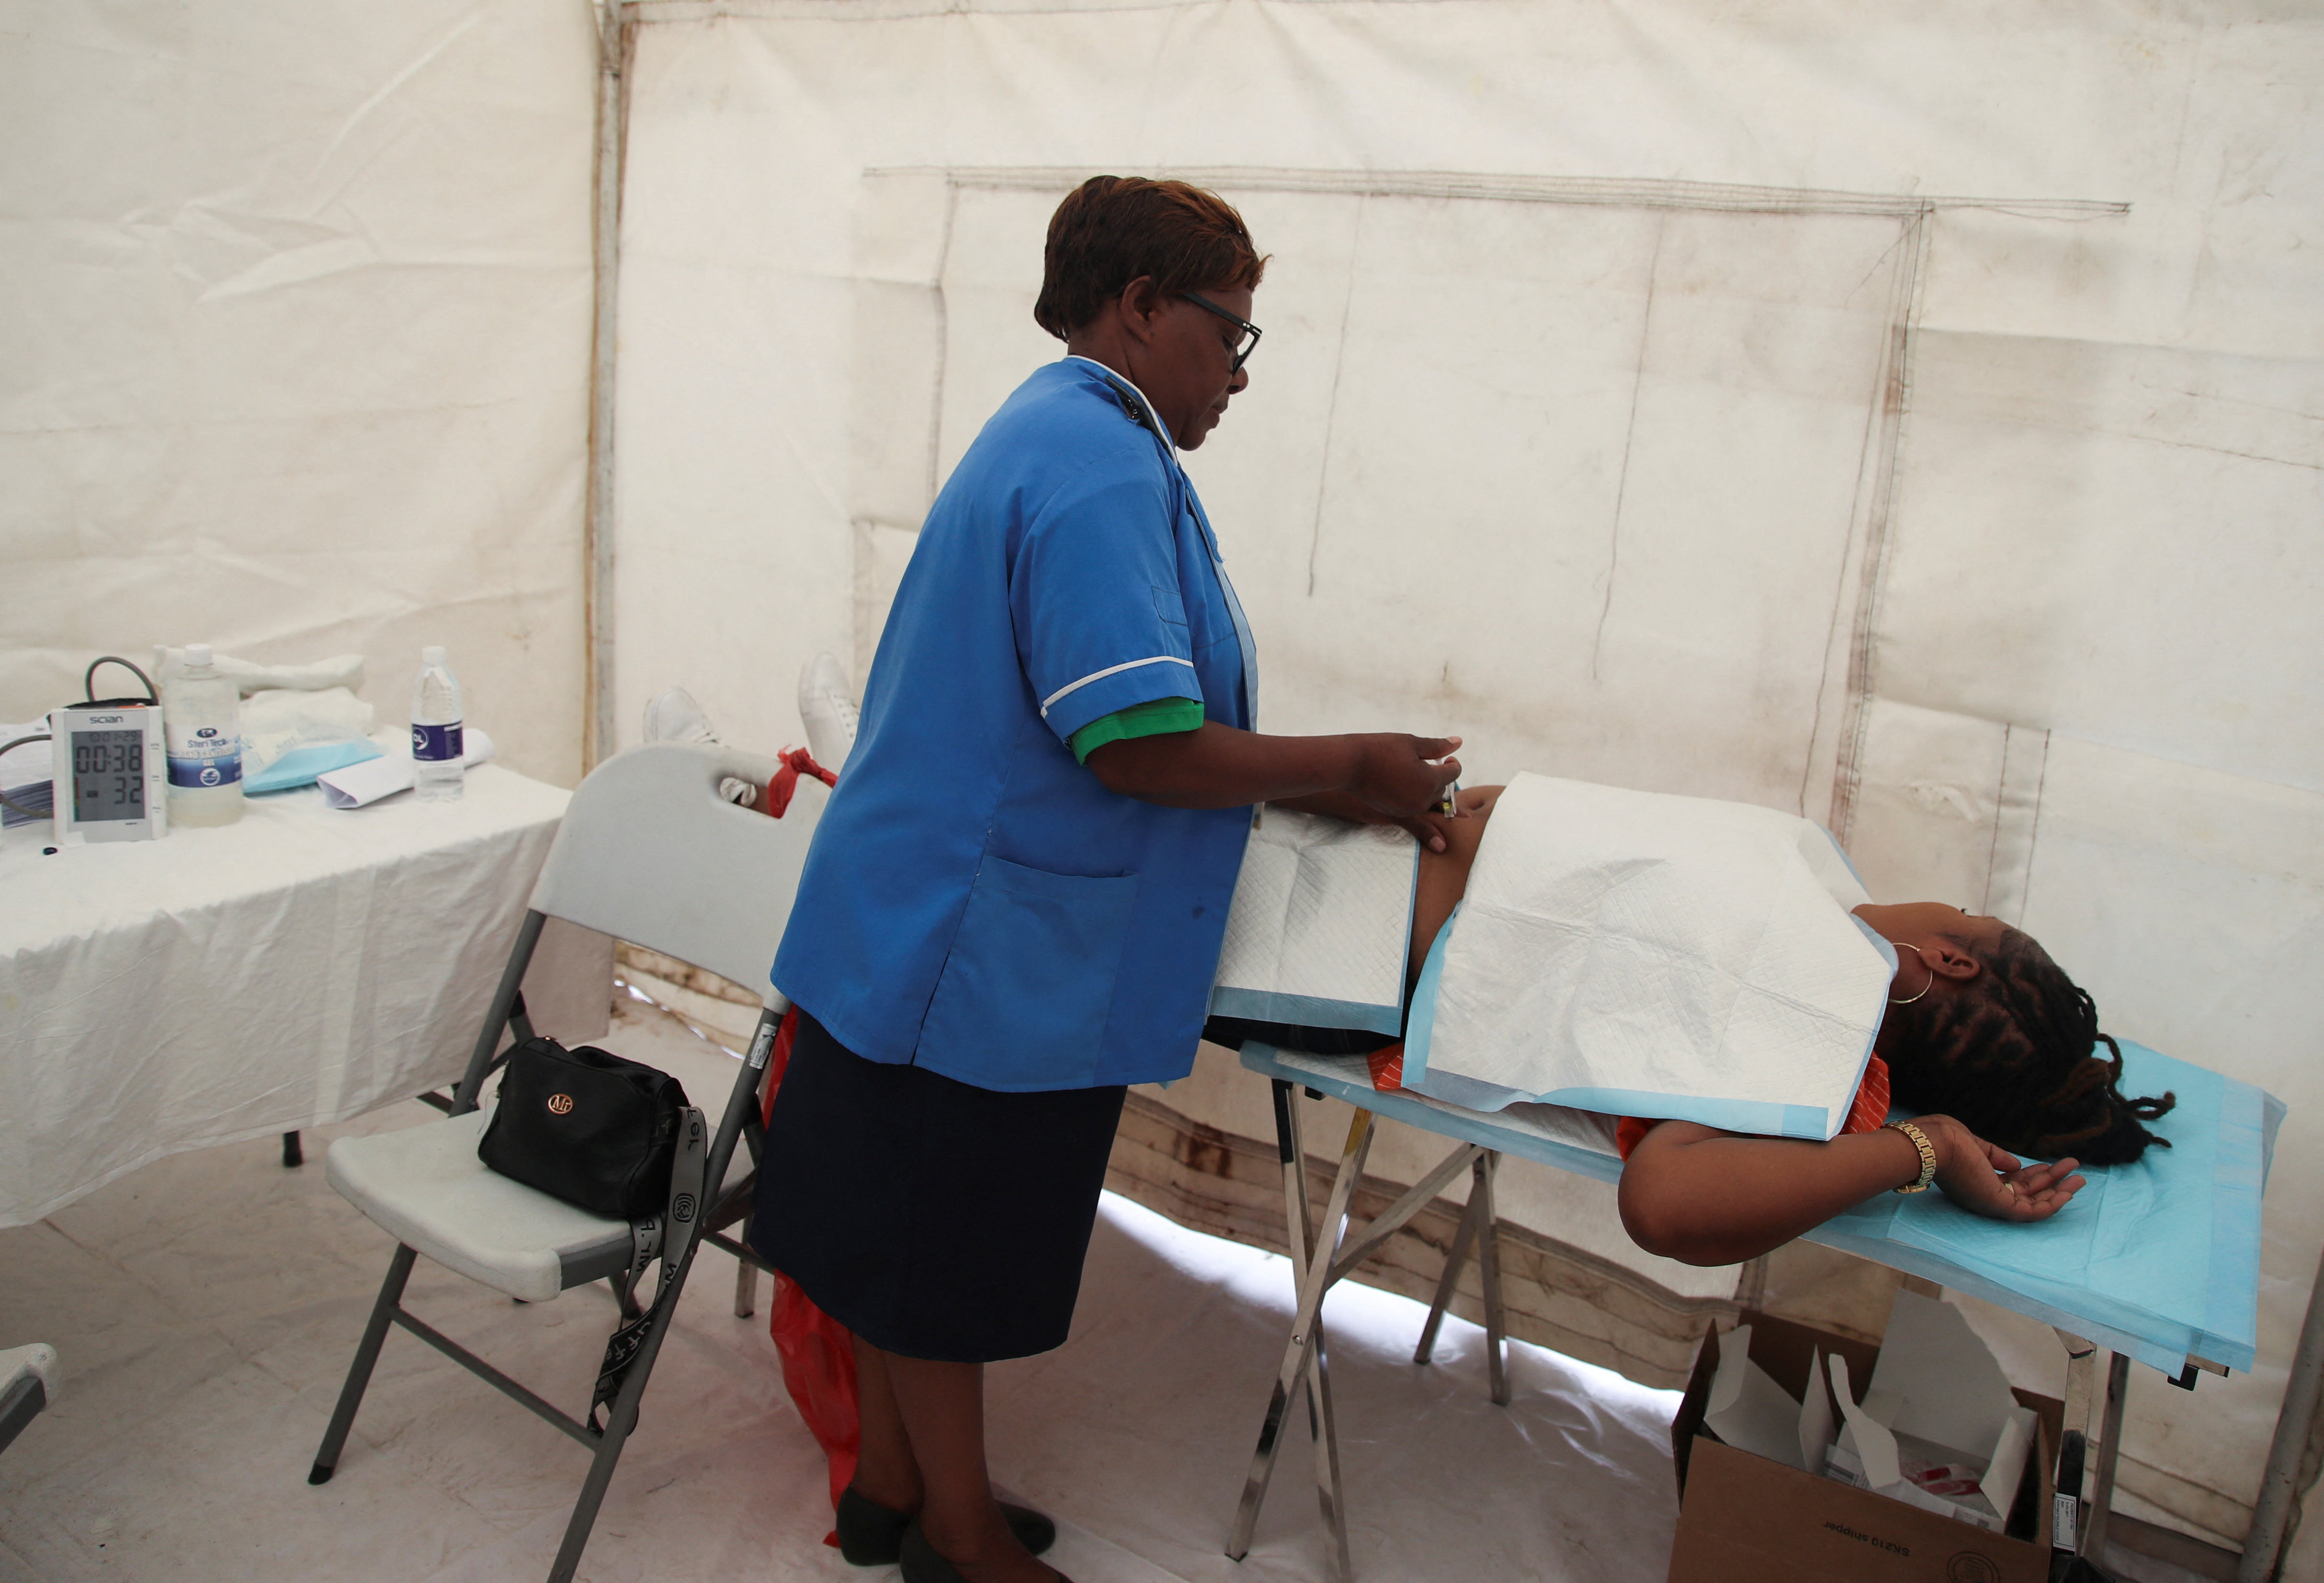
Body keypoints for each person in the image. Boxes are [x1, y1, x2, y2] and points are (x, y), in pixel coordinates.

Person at [752, 176, 1461, 1583]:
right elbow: (1131, 739)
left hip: (912, 921)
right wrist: (1353, 764)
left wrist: (1328, 775)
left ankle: (893, 1484)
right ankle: (954, 1540)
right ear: (1139, 309)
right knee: (934, 1257)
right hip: (971, 953)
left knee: (891, 1238)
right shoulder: (1093, 462)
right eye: (1230, 336)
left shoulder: (1065, 432)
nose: (1238, 375)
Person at [1217, 783, 2176, 1271]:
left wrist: (1924, 1149)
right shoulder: (1810, 901)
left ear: (1950, 959)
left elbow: (1666, 1204)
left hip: (1317, 936)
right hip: (1350, 832)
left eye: (1969, 915)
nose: (1952, 908)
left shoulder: (1821, 1060)